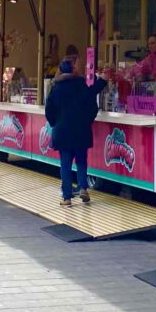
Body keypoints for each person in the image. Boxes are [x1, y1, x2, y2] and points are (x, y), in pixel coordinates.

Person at [44, 58, 106, 207]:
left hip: (63, 131)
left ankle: (67, 198)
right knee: (81, 161)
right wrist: (86, 122)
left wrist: (56, 123)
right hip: (81, 130)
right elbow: (92, 106)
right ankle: (83, 188)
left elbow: (49, 111)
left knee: (65, 164)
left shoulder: (56, 88)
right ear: (74, 70)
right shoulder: (82, 85)